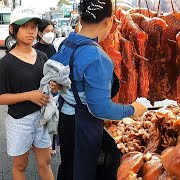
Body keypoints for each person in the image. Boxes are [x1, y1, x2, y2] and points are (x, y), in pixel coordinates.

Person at [51, 0, 147, 179]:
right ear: (109, 21)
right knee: (82, 172)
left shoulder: (68, 43)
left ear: (80, 18)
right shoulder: (95, 56)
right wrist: (133, 109)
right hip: (83, 127)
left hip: (66, 121)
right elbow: (100, 108)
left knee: (68, 168)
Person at [0, 6, 59, 180]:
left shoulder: (42, 56)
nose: (30, 31)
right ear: (13, 29)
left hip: (41, 118)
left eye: (33, 27)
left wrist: (53, 87)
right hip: (19, 121)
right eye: (25, 26)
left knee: (45, 161)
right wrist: (29, 95)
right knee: (20, 165)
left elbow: (49, 85)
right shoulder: (6, 63)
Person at [33, 18, 58, 156]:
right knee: (42, 116)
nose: (50, 34)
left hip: (53, 88)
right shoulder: (35, 49)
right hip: (40, 89)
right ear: (40, 33)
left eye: (52, 31)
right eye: (47, 31)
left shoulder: (53, 47)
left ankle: (50, 145)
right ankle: (39, 143)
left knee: (52, 116)